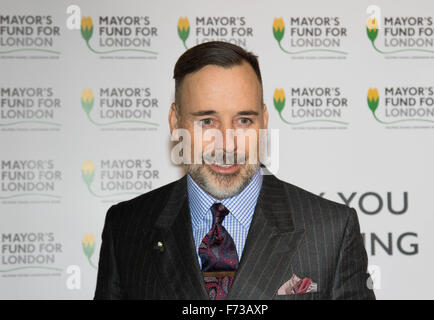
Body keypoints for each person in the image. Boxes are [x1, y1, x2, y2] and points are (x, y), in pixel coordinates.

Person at [94, 41, 375, 300]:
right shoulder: (126, 227)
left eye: (243, 120)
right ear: (175, 121)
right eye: (206, 121)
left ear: (263, 121)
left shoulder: (331, 230)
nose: (227, 143)